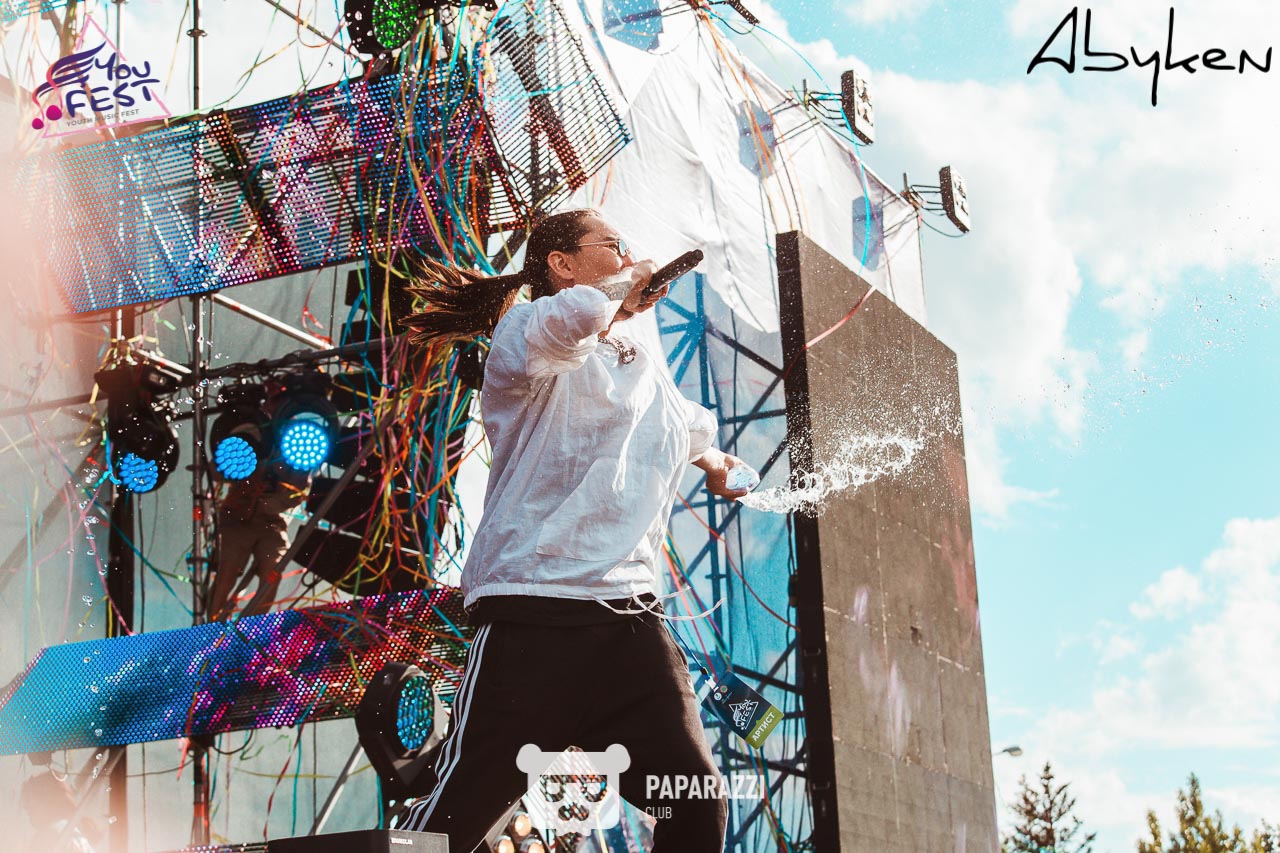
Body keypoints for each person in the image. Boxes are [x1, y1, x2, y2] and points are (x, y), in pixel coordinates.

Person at [397, 209, 750, 852]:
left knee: (696, 799)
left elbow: (686, 425)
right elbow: (579, 317)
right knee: (458, 817)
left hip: (631, 620)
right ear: (562, 264)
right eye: (615, 245)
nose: (629, 257)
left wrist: (721, 466)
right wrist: (627, 288)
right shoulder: (528, 330)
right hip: (536, 611)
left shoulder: (639, 358)